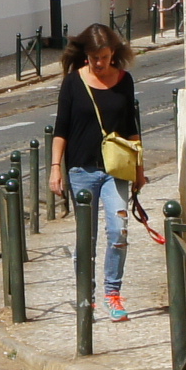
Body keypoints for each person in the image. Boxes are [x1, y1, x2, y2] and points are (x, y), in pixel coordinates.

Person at [48, 22, 142, 321]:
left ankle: (112, 294)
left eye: (103, 56)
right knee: (85, 238)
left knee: (119, 231)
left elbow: (132, 129)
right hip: (81, 169)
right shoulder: (73, 83)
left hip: (117, 169)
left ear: (113, 52)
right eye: (93, 57)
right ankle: (85, 296)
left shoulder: (125, 81)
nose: (99, 63)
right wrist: (55, 169)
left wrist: (139, 169)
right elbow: (61, 129)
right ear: (85, 55)